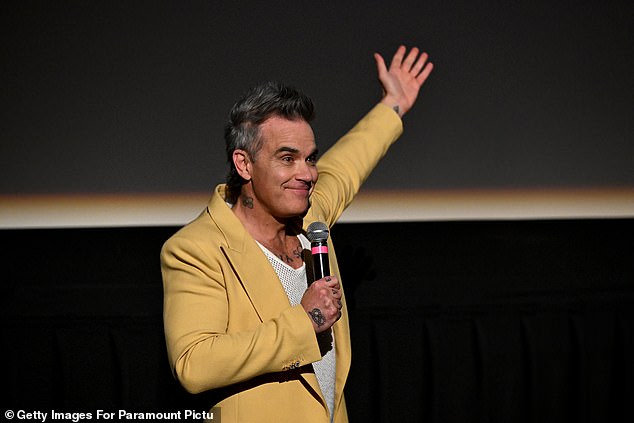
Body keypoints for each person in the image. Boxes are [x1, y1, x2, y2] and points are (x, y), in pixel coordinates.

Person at [160, 45, 433, 423]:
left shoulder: (311, 218)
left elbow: (349, 164)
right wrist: (305, 322)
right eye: (287, 159)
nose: (306, 173)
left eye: (310, 158)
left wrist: (394, 104)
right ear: (244, 164)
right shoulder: (196, 249)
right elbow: (194, 364)